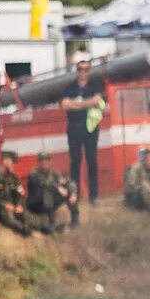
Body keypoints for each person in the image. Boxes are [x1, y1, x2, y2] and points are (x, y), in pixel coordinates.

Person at [59, 56, 106, 204]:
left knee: (92, 161)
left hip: (91, 129)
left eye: (86, 69)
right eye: (80, 69)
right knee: (75, 162)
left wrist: (77, 103)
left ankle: (94, 196)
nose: (83, 72)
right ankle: (75, 194)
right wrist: (87, 103)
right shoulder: (70, 87)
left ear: (89, 71)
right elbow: (65, 105)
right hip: (74, 128)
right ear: (77, 71)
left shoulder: (95, 86)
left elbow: (96, 100)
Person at [25, 151, 78, 231]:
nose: (44, 162)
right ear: (38, 162)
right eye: (41, 161)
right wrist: (58, 187)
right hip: (35, 203)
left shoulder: (54, 173)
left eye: (46, 160)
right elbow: (43, 183)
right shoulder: (33, 173)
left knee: (68, 191)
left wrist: (73, 193)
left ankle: (75, 221)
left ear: (50, 162)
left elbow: (68, 182)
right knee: (47, 191)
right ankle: (51, 224)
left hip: (48, 203)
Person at [0, 153, 30, 235]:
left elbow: (20, 193)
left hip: (12, 204)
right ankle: (21, 229)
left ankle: (43, 225)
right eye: (10, 162)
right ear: (3, 163)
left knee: (26, 215)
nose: (12, 165)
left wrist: (19, 205)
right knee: (9, 218)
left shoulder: (14, 178)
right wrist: (4, 205)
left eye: (12, 163)